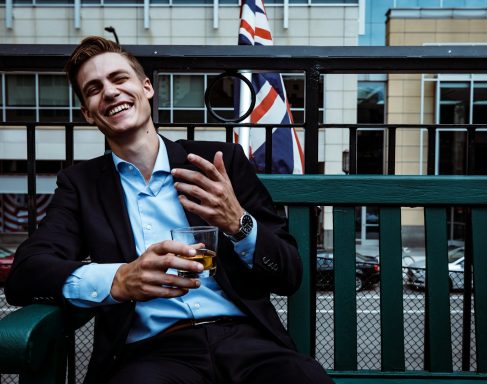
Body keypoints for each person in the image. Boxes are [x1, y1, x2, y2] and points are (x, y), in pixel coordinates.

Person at [5, 36, 333, 384]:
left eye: (119, 79)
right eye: (94, 89)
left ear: (146, 87)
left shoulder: (220, 162)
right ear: (88, 113)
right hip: (153, 352)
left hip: (246, 341)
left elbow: (290, 274)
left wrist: (239, 224)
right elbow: (27, 272)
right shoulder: (82, 185)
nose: (111, 92)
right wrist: (119, 280)